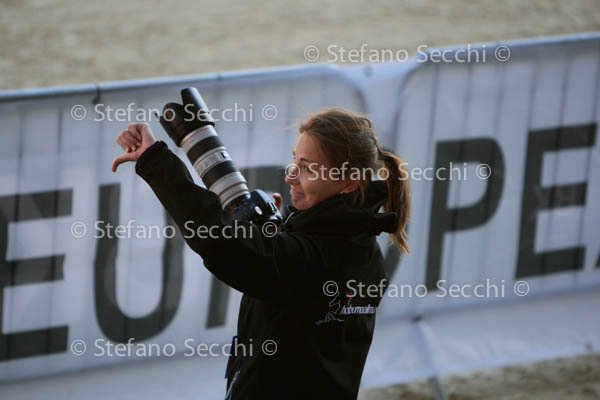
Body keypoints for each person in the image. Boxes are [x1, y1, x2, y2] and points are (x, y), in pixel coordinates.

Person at [112, 108, 410, 400]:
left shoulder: (309, 258)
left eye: (308, 168)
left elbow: (219, 240)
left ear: (349, 183)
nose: (291, 176)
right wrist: (280, 230)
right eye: (295, 161)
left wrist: (155, 161)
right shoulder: (365, 249)